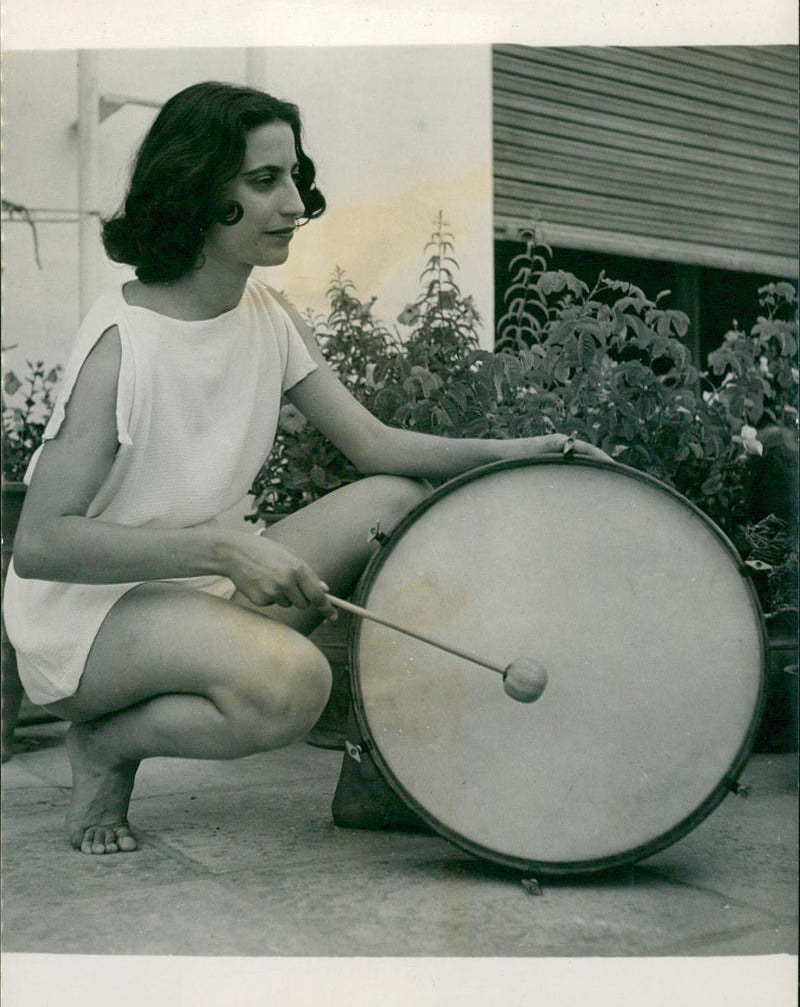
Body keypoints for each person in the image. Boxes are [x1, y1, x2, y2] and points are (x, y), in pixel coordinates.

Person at [3, 81, 610, 855]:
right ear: (196, 189)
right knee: (291, 685)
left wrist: (520, 451)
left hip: (190, 591)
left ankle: (387, 763)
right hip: (85, 622)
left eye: (293, 176)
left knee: (394, 498)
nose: (295, 203)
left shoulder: (266, 316)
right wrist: (223, 550)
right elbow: (42, 545)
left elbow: (374, 445)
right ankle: (106, 745)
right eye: (264, 182)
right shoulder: (123, 345)